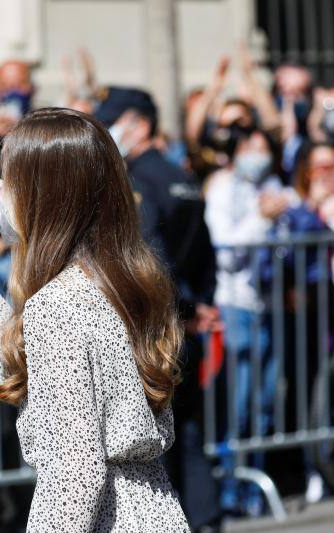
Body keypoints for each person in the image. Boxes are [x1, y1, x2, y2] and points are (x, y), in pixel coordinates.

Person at [0, 108, 190, 531]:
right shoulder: (126, 283)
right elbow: (48, 385)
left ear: (43, 195)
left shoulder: (57, 306)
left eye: (11, 181)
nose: (0, 194)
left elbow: (74, 475)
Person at [94, 87, 221, 530]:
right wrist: (200, 303)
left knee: (152, 439)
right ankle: (203, 517)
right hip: (182, 326)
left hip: (154, 331)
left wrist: (185, 306)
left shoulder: (137, 182)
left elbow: (151, 262)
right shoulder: (179, 176)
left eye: (113, 121)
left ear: (140, 125)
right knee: (185, 432)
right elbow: (205, 255)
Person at [204, 127, 289, 516]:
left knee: (265, 400)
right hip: (235, 304)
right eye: (250, 147)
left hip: (267, 304)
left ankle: (254, 485)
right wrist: (259, 217)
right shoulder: (224, 190)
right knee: (237, 403)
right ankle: (229, 486)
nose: (258, 154)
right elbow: (226, 251)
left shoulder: (274, 185)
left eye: (263, 147)